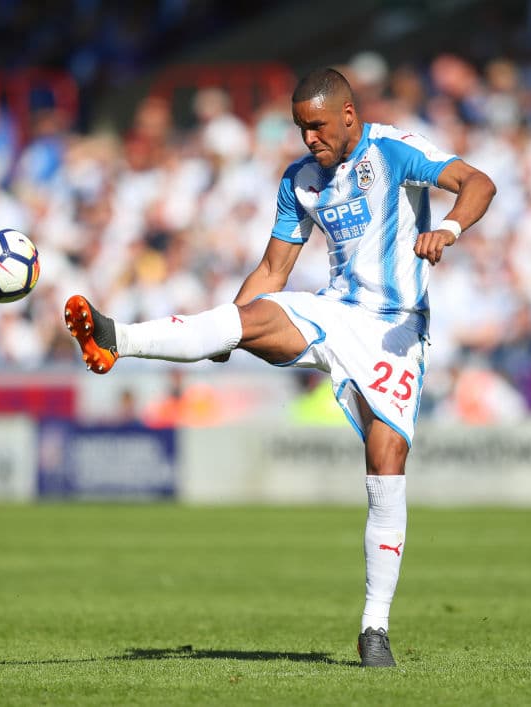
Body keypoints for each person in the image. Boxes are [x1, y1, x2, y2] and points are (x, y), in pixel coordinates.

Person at [63, 67, 496, 667]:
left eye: (316, 126)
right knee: (257, 313)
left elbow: (477, 181)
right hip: (335, 312)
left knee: (385, 461)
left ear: (348, 114)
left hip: (395, 330)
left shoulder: (394, 151)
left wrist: (447, 226)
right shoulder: (300, 181)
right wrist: (228, 333)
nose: (308, 139)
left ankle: (375, 628)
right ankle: (118, 339)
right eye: (300, 128)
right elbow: (272, 271)